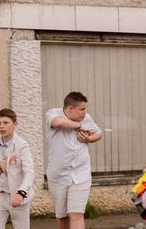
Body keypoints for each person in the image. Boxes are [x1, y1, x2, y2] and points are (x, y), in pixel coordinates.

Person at [45, 92, 102, 229]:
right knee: (62, 217)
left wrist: (88, 139)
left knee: (76, 214)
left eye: (85, 109)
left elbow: (98, 134)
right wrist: (78, 126)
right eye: (81, 109)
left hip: (80, 174)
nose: (85, 112)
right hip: (58, 176)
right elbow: (58, 122)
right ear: (70, 108)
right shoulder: (53, 113)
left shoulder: (86, 118)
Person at [0, 108, 34, 229]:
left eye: (6, 123)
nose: (1, 126)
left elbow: (29, 173)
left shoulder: (22, 145)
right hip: (1, 195)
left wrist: (21, 193)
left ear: (15, 124)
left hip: (17, 196)